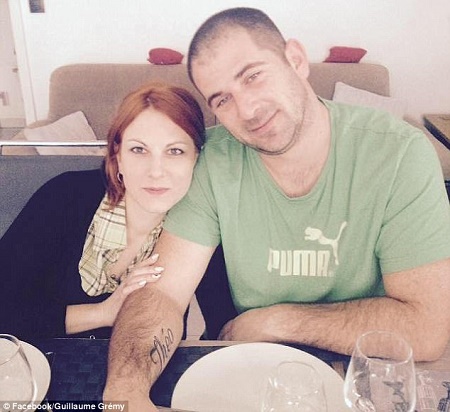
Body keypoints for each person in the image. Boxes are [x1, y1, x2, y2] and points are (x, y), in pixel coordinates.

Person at [104, 7, 450, 409]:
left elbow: (427, 328)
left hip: (363, 372)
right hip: (255, 374)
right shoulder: (215, 160)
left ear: (296, 60)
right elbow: (162, 294)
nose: (248, 110)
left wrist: (277, 320)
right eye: (223, 99)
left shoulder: (399, 154)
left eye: (253, 76)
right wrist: (124, 392)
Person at [0, 82, 207, 340]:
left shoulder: (201, 227)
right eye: (139, 149)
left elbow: (222, 324)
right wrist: (102, 313)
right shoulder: (64, 197)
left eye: (175, 151)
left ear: (196, 158)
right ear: (118, 155)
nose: (156, 171)